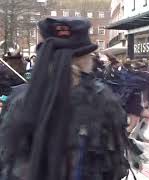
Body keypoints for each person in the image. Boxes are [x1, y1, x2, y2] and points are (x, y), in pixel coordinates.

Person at [0, 17, 134, 180]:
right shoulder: (103, 100)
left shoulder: (19, 100)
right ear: (85, 58)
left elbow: (6, 159)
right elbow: (115, 168)